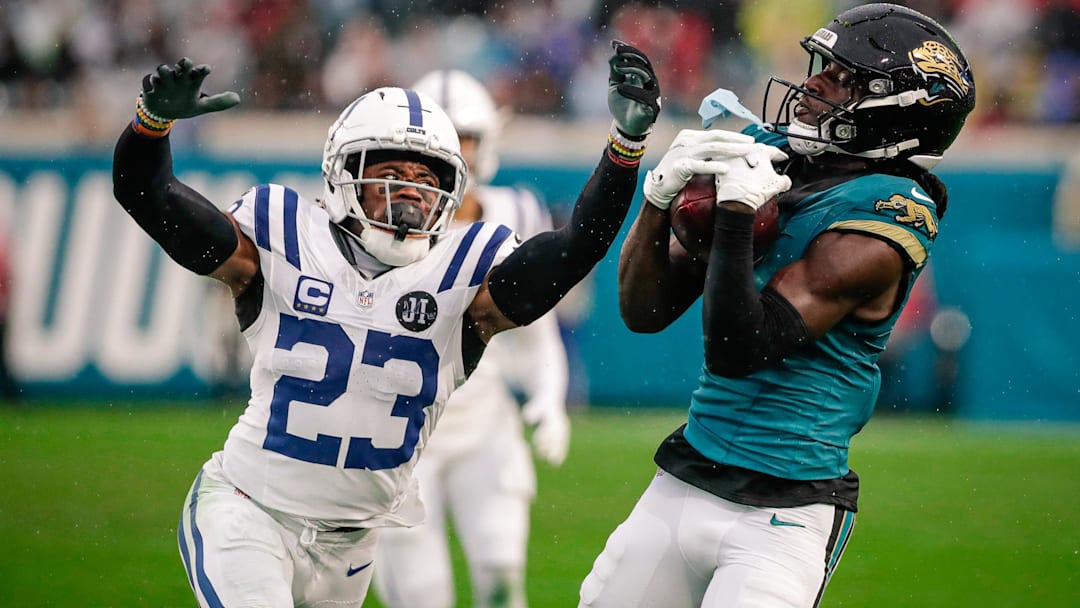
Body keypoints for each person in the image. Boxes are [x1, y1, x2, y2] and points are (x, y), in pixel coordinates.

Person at [111, 41, 660, 607]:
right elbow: (149, 195)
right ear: (345, 172)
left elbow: (579, 246)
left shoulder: (465, 276)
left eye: (428, 176)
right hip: (250, 511)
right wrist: (151, 126)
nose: (413, 192)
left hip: (352, 548)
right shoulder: (281, 238)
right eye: (392, 173)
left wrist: (625, 147)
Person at [580, 5, 975, 608]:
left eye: (842, 77)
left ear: (897, 113)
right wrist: (656, 200)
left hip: (785, 509)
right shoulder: (772, 154)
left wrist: (736, 214)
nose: (812, 83)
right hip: (684, 477)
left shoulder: (890, 213)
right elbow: (645, 310)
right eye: (823, 66)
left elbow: (742, 349)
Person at [372, 69, 570, 608]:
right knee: (420, 595)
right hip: (401, 432)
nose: (456, 154)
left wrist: (548, 396)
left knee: (503, 579)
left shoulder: (516, 210)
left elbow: (537, 327)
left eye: (466, 139)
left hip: (484, 421)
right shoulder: (378, 222)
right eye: (445, 140)